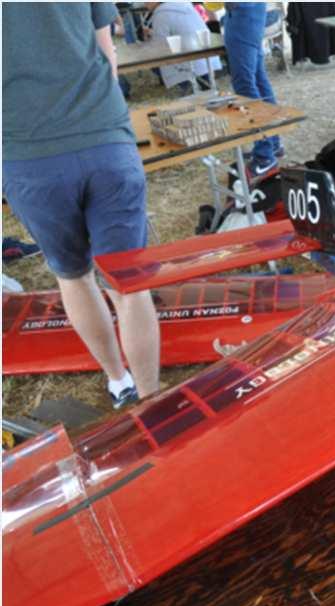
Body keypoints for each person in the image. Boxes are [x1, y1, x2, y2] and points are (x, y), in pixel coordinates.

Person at [2, 2, 161, 408]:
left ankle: (119, 383)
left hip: (29, 151)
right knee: (128, 284)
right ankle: (151, 399)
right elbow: (107, 53)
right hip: (105, 137)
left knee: (74, 276)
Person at [222, 1, 283, 177]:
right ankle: (272, 142)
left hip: (242, 11)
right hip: (249, 11)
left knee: (245, 84)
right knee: (257, 79)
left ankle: (265, 154)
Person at [145, 1, 223, 95]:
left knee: (154, 63)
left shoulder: (160, 14)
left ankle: (190, 92)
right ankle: (208, 92)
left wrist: (149, 34)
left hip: (186, 63)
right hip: (206, 56)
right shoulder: (184, 4)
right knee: (207, 84)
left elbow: (159, 44)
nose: (145, 4)